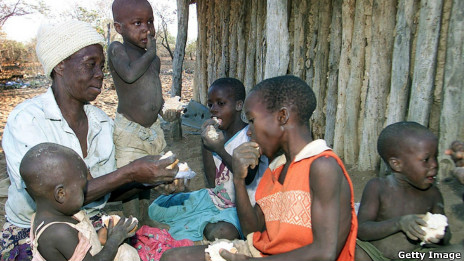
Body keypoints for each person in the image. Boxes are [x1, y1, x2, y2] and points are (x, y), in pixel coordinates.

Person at [0, 20, 178, 260]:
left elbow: (107, 189)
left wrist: (151, 180)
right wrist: (132, 173)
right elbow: (52, 196)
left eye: (102, 66)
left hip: (89, 224)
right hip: (39, 236)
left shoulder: (101, 122)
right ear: (60, 66)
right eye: (90, 64)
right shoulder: (27, 121)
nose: (99, 74)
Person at [160, 75, 358, 261]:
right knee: (171, 257)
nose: (250, 132)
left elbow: (325, 252)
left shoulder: (322, 166)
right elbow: (251, 232)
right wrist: (238, 179)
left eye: (252, 120)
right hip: (259, 253)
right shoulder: (276, 169)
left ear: (282, 117)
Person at [149, 78, 268, 242]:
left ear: (238, 106)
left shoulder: (250, 135)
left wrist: (219, 148)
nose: (214, 110)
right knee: (156, 209)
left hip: (242, 206)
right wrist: (205, 143)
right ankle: (205, 218)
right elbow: (213, 182)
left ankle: (205, 221)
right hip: (216, 198)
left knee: (221, 232)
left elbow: (248, 177)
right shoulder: (217, 136)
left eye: (221, 103)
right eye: (210, 104)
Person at [107, 0, 181, 226]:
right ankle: (132, 221)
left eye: (149, 21)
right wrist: (150, 54)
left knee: (149, 173)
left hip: (153, 130)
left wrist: (164, 110)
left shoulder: (154, 60)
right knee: (133, 178)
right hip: (130, 129)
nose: (146, 28)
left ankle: (145, 217)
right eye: (137, 23)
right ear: (119, 28)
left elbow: (153, 93)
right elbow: (129, 75)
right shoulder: (117, 49)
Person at [355, 121, 462, 260]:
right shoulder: (378, 187)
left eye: (435, 157)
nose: (434, 165)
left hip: (414, 255)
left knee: (457, 253)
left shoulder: (433, 193)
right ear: (397, 164)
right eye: (426, 159)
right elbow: (362, 229)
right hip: (376, 255)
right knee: (356, 252)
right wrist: (399, 223)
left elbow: (446, 235)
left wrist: (439, 236)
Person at [21, 143, 140, 261]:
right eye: (82, 188)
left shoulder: (54, 213)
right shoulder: (59, 232)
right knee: (127, 254)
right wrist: (113, 242)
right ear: (61, 194)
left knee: (125, 252)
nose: (86, 191)